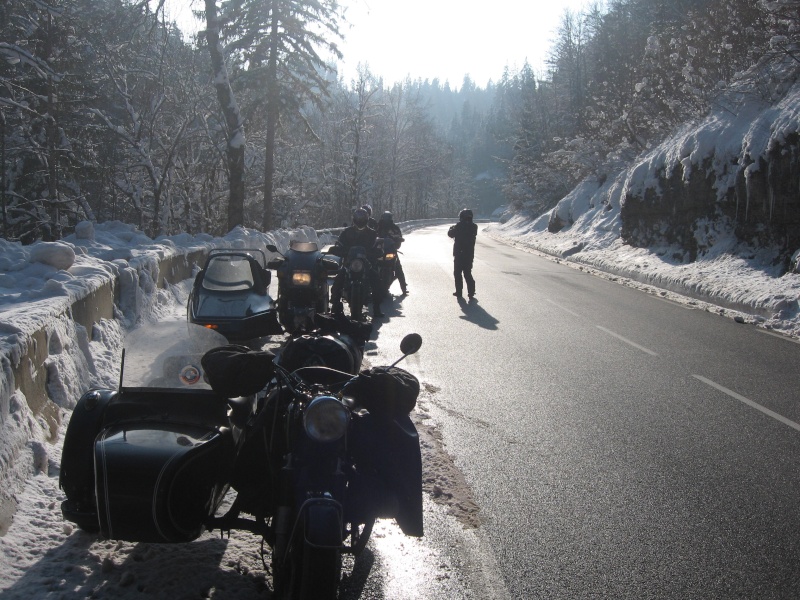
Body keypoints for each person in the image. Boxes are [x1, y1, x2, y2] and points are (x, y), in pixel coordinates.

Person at [331, 208, 385, 318]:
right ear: (354, 220)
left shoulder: (372, 233)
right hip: (349, 264)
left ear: (367, 220)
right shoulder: (346, 232)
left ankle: (376, 308)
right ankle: (335, 306)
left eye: (362, 220)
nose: (360, 222)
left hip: (366, 263)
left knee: (376, 281)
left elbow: (377, 246)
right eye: (358, 219)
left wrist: (377, 252)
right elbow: (339, 244)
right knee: (338, 281)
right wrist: (337, 250)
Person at [376, 211, 408, 295]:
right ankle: (366, 289)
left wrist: (398, 240)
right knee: (370, 265)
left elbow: (399, 237)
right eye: (385, 217)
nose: (386, 220)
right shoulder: (377, 227)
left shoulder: (394, 228)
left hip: (390, 250)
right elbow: (371, 236)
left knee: (398, 267)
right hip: (379, 251)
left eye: (388, 218)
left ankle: (404, 287)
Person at [448, 208, 477, 299]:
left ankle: (459, 291)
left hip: (459, 254)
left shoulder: (459, 226)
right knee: (467, 273)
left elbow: (450, 234)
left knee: (457, 273)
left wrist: (452, 228)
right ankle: (471, 292)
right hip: (469, 254)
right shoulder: (474, 227)